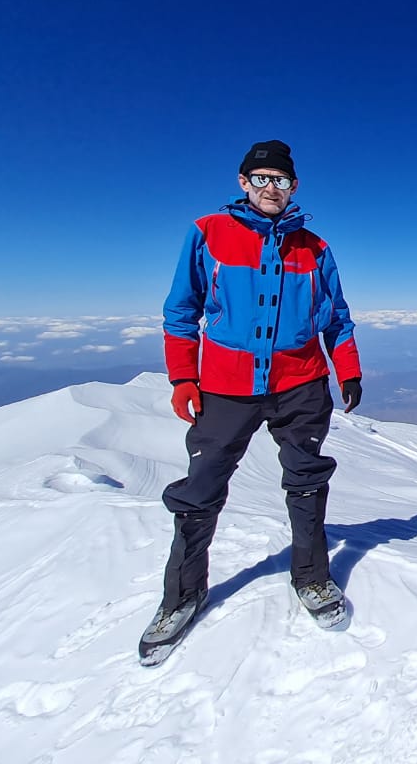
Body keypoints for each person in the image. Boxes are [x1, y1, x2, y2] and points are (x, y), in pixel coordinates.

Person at [140, 140, 363, 662]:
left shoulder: (314, 247)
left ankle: (311, 578)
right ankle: (182, 597)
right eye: (260, 178)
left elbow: (337, 317)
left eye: (279, 180)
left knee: (307, 480)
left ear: (293, 187)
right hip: (226, 386)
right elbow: (181, 311)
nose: (270, 188)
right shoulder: (208, 233)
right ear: (243, 182)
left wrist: (348, 370)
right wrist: (183, 377)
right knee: (200, 490)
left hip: (302, 383)